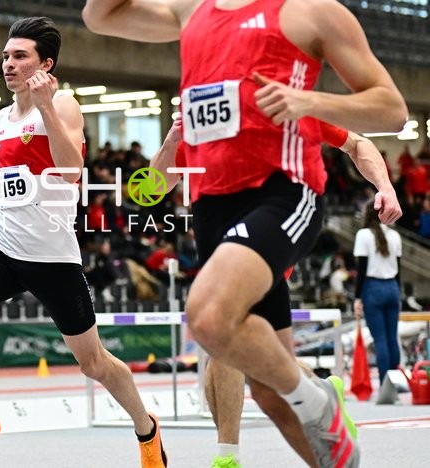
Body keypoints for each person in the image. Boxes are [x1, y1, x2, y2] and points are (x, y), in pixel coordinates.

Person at [83, 0, 408, 466]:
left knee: (208, 318)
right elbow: (101, 15)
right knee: (268, 392)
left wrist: (309, 101)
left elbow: (389, 111)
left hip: (284, 194)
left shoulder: (310, 10)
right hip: (214, 207)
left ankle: (311, 399)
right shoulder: (194, 10)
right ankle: (311, 414)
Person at [0, 17, 167, 468]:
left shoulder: (65, 104)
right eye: (6, 55)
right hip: (1, 245)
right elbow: (18, 181)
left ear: (44, 64)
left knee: (93, 364)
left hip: (53, 257)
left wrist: (48, 107)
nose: (8, 63)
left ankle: (146, 429)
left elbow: (71, 172)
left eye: (20, 56)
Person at [152, 115, 400, 467]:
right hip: (217, 242)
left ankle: (227, 456)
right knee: (235, 364)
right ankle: (321, 391)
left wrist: (385, 187)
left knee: (225, 332)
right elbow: (153, 188)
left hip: (265, 235)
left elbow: (359, 143)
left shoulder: (280, 105)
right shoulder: (202, 120)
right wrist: (171, 141)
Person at [353, 202, 402, 387]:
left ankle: (385, 386)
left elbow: (362, 270)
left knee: (380, 339)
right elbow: (399, 271)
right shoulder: (395, 236)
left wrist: (357, 298)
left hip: (373, 288)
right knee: (392, 338)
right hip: (392, 288)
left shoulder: (363, 235)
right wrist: (399, 296)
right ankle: (395, 384)